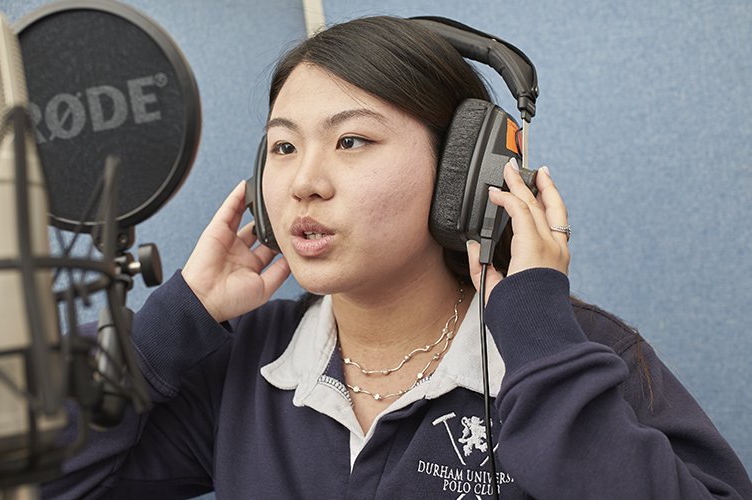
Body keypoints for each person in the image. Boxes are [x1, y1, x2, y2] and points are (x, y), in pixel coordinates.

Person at [43, 16, 752, 500]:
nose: (302, 182)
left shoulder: (578, 357)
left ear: (467, 174)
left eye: (352, 141)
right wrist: (171, 326)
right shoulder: (244, 365)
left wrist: (539, 343)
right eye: (284, 147)